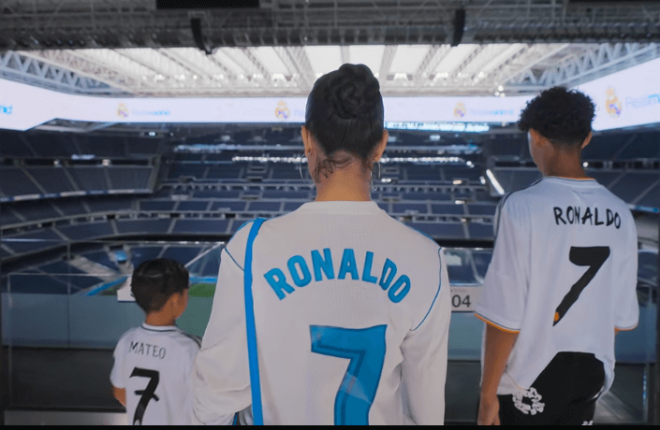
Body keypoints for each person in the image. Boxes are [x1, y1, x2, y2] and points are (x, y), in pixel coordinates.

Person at [191, 64, 451, 425]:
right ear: (380, 145)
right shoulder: (427, 261)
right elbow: (427, 413)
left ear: (307, 139)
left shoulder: (249, 250)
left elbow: (214, 398)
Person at [476, 87, 639, 425]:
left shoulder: (520, 207)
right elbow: (620, 319)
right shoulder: (620, 212)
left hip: (530, 376)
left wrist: (487, 394)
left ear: (535, 137)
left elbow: (506, 317)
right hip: (591, 374)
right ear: (587, 138)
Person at [110, 258, 201, 425]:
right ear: (175, 300)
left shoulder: (127, 340)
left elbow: (119, 391)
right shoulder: (189, 349)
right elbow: (206, 405)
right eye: (186, 292)